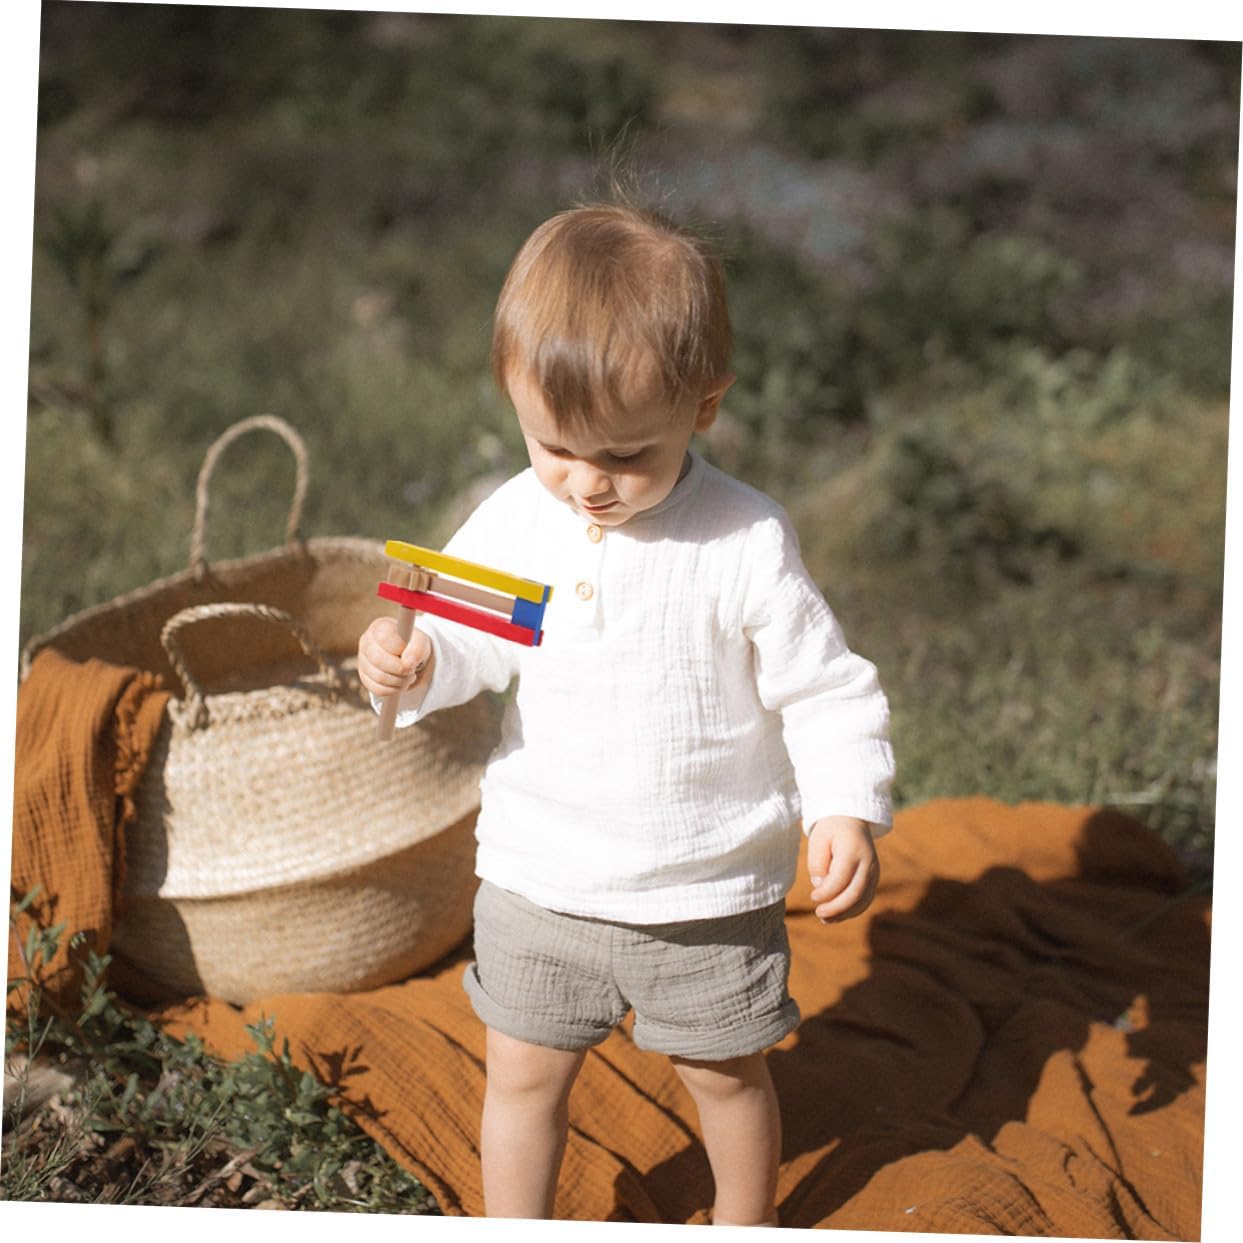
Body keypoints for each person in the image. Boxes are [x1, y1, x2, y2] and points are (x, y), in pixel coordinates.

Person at [357, 200, 895, 1227]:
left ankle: (743, 1219)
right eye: (554, 446)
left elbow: (821, 685)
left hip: (703, 888)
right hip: (540, 876)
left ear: (704, 406)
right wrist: (412, 659)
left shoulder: (741, 540)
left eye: (625, 455)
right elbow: (470, 639)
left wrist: (843, 805)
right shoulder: (520, 519)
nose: (587, 485)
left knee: (725, 1075)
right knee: (521, 1074)